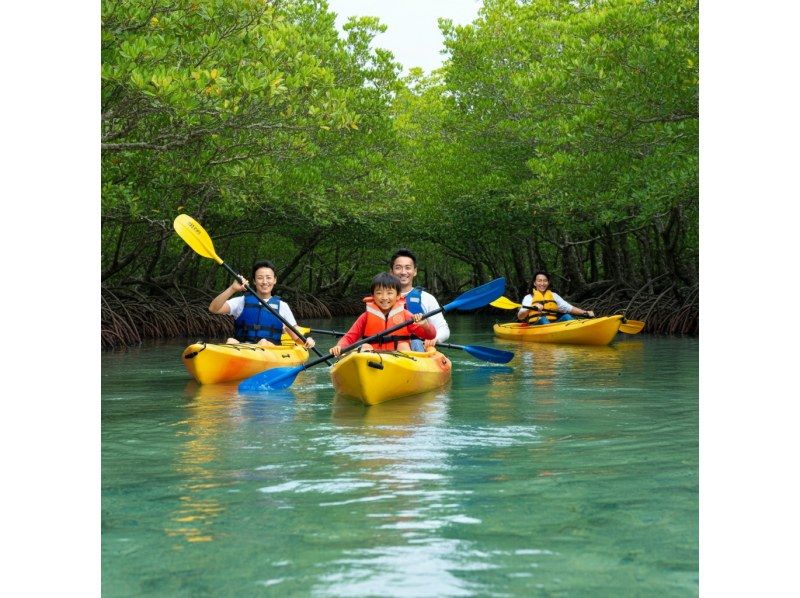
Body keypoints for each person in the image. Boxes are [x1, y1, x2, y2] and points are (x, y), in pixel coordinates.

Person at [208, 259, 316, 349]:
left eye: (268, 277)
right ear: (254, 281)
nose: (264, 282)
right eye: (260, 278)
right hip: (243, 350)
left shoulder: (282, 306)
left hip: (270, 350)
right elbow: (213, 308)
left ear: (274, 280)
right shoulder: (241, 301)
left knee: (263, 342)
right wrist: (232, 289)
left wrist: (307, 341)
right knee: (231, 340)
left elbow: (297, 338)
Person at [329, 272, 436, 356]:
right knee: (365, 346)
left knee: (403, 346)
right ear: (373, 295)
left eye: (389, 293)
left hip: (400, 361)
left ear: (398, 296)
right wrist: (339, 347)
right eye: (379, 293)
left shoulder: (406, 315)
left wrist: (425, 325)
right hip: (373, 359)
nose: (384, 297)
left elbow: (430, 335)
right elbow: (349, 338)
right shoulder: (365, 317)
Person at [389, 248, 450, 351]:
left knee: (416, 342)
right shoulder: (383, 299)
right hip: (388, 350)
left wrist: (435, 338)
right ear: (391, 272)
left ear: (415, 271)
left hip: (418, 350)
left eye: (408, 268)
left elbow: (443, 329)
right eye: (398, 268)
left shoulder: (427, 298)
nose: (403, 272)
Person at [517, 270, 595, 325]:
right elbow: (520, 316)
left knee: (567, 316)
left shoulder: (554, 296)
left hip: (553, 325)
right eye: (539, 281)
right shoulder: (529, 297)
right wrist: (532, 307)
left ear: (548, 282)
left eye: (545, 281)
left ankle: (577, 332)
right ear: (534, 283)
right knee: (543, 319)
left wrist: (585, 312)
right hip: (536, 325)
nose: (542, 283)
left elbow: (568, 308)